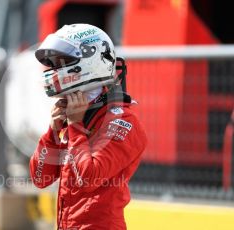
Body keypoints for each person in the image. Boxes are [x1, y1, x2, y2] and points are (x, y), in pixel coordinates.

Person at [30, 24, 147, 230]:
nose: (55, 70)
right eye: (54, 64)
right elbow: (40, 178)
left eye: (62, 62)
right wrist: (53, 133)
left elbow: (87, 178)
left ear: (90, 60)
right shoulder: (74, 114)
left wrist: (75, 125)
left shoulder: (124, 122)